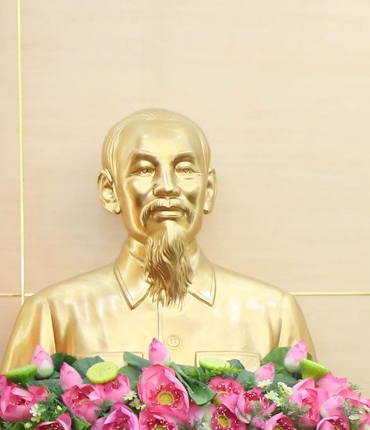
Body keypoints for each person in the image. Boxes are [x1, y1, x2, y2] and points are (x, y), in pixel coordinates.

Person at [1, 108, 313, 371]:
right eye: (144, 169)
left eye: (185, 169)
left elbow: (305, 418)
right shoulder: (54, 313)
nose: (167, 186)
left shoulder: (273, 314)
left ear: (208, 190)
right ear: (110, 191)